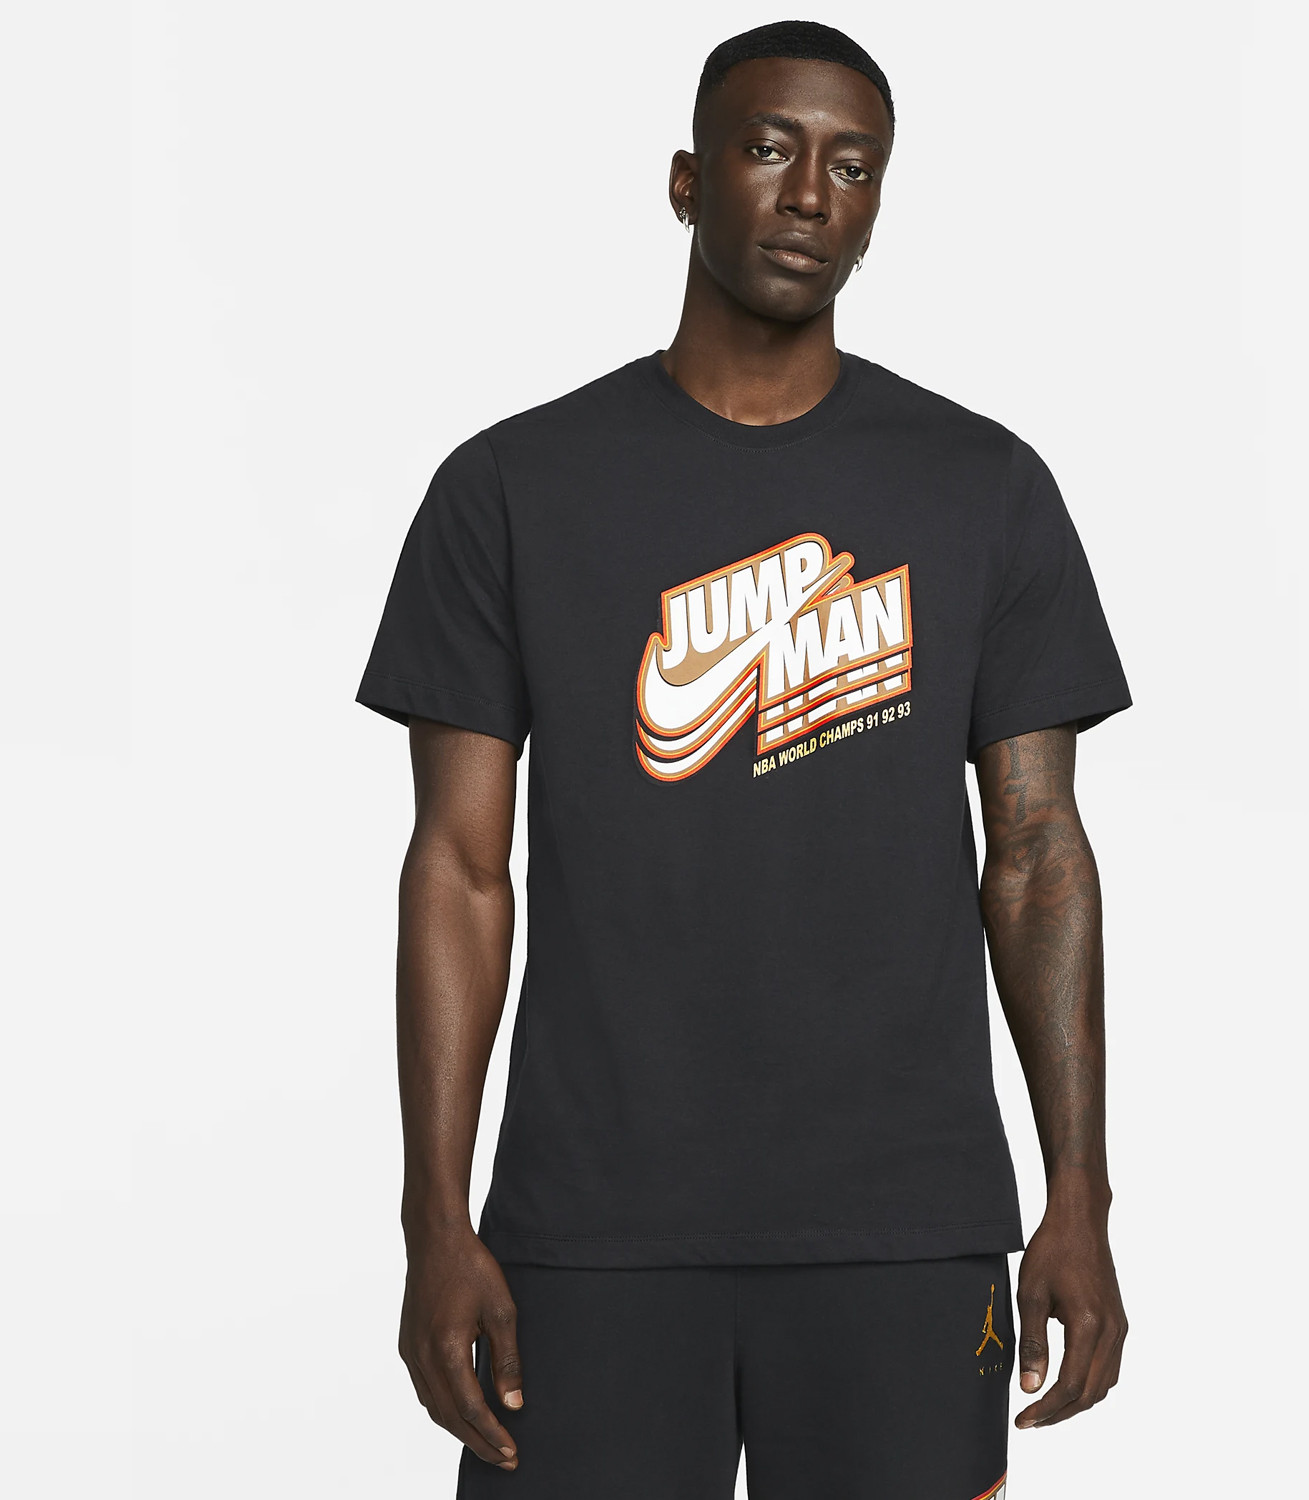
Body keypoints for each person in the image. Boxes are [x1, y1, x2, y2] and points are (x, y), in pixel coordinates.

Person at [355, 20, 1130, 1499]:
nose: (810, 194)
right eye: (771, 149)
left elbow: (1038, 856)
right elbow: (457, 868)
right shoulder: (512, 488)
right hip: (591, 1228)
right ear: (685, 180)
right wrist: (433, 1221)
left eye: (854, 166)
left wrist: (1079, 1193)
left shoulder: (983, 487)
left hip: (906, 1228)